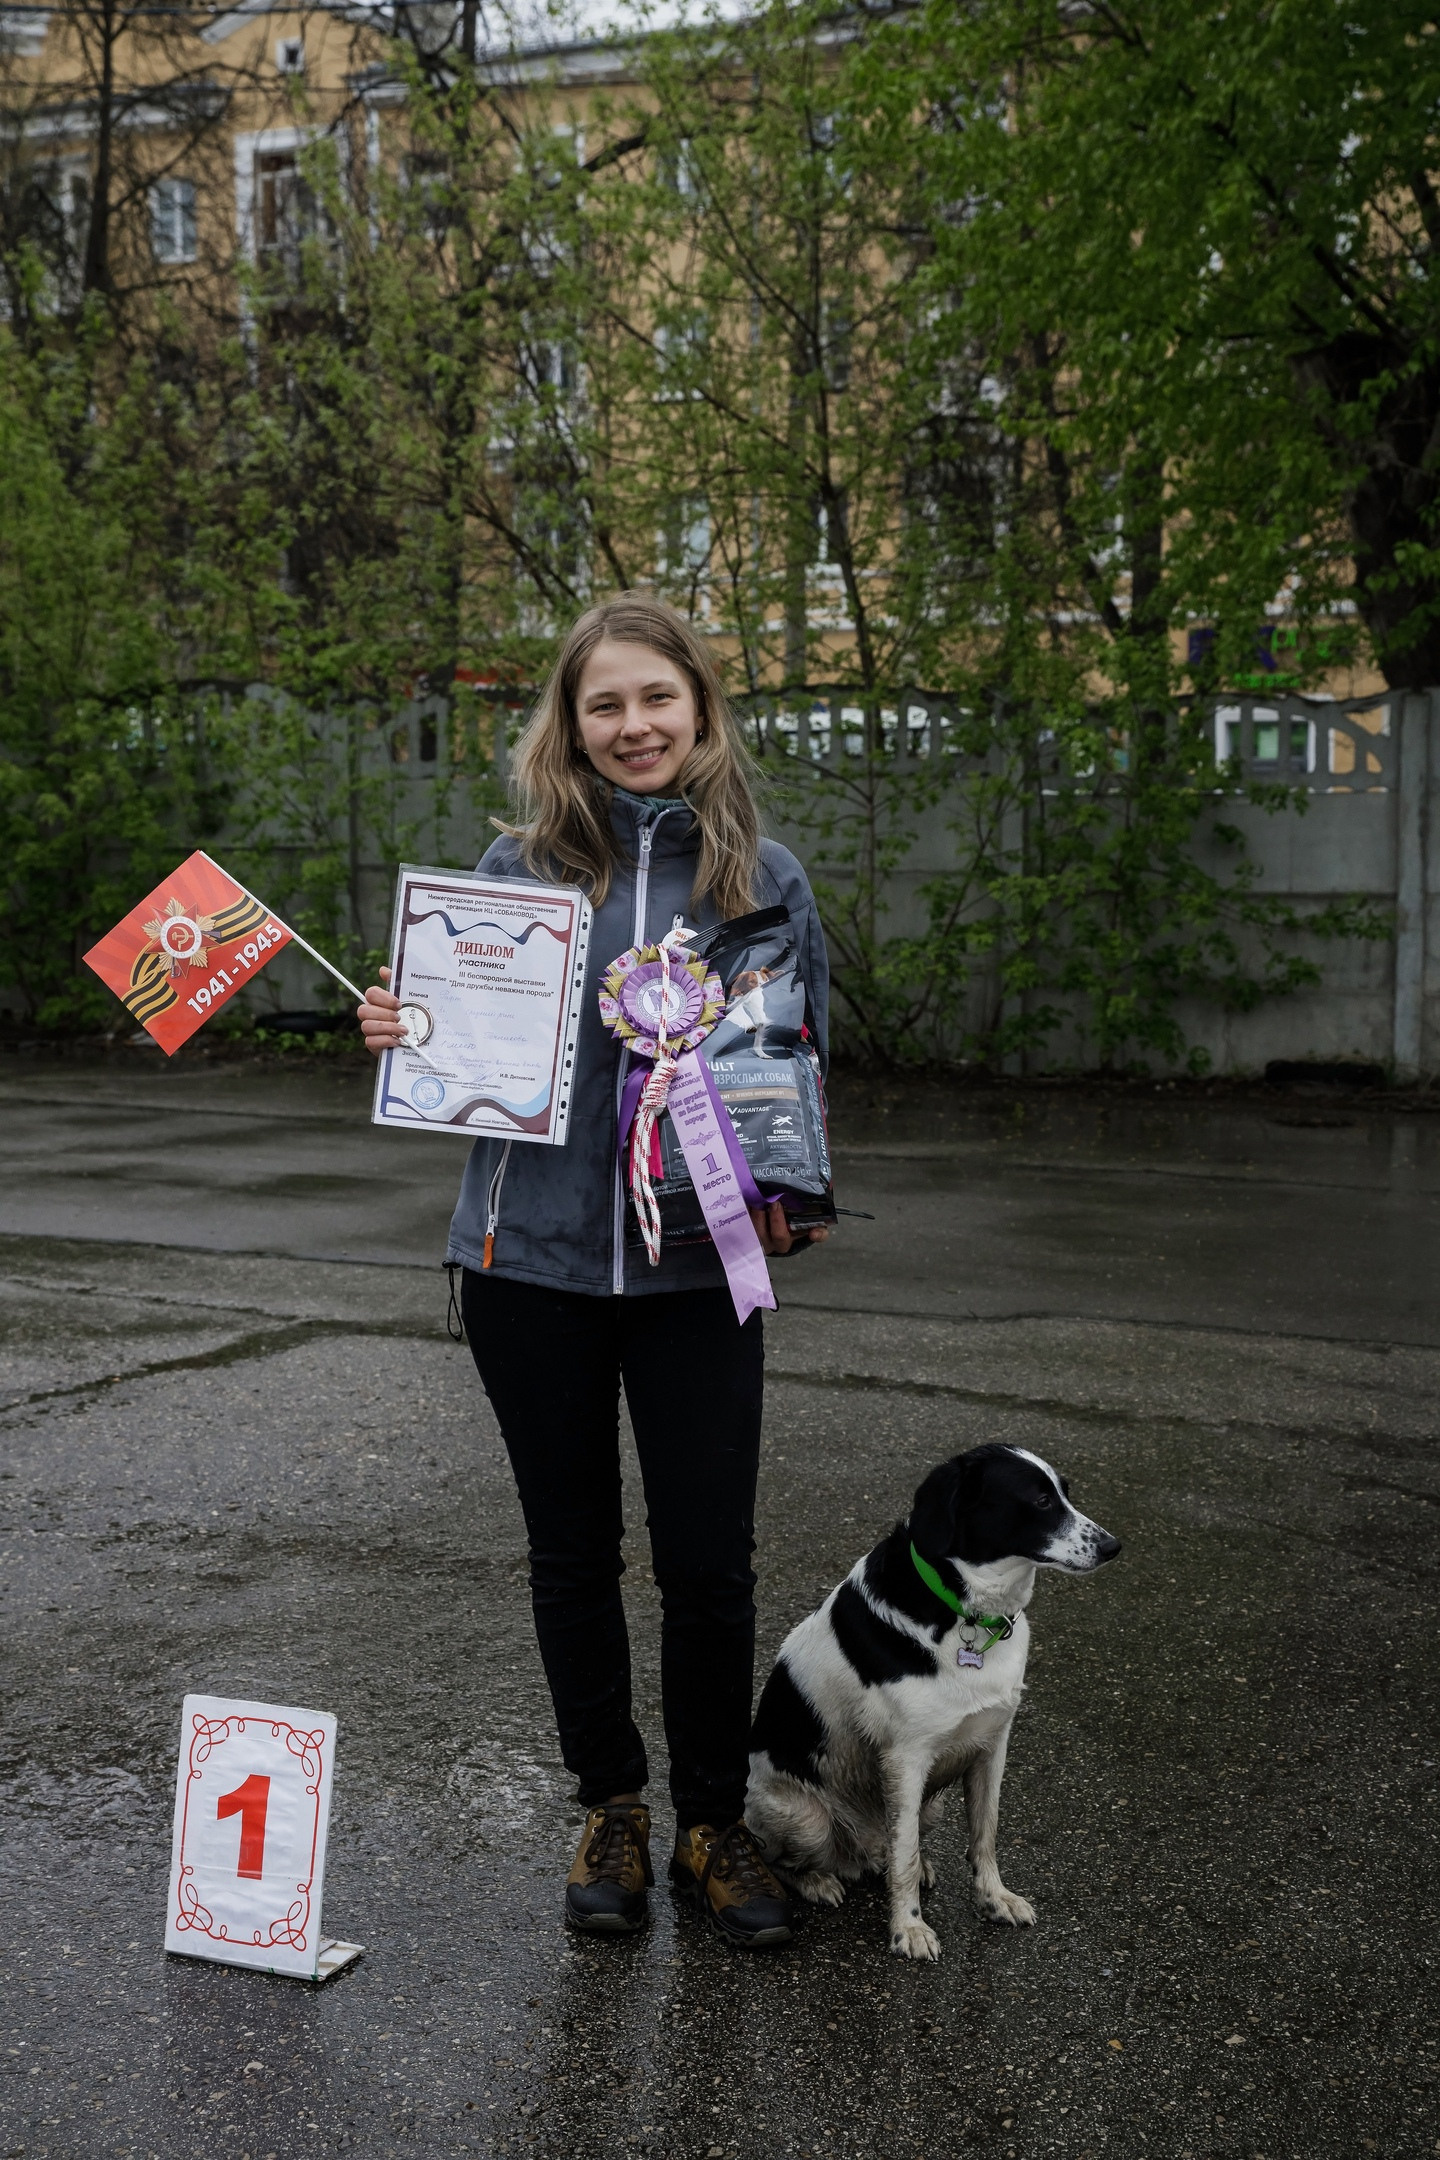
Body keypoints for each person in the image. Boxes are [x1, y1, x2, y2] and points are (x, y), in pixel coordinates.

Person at [359, 594, 830, 1948]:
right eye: (604, 704)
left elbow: (800, 1059)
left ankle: (708, 1818)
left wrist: (787, 1193)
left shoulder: (766, 878)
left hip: (695, 1273)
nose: (633, 727)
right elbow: (454, 1058)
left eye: (656, 700)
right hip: (528, 1269)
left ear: (700, 709)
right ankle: (612, 1804)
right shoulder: (504, 877)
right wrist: (402, 1028)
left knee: (708, 1563)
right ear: (567, 724)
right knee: (569, 1554)